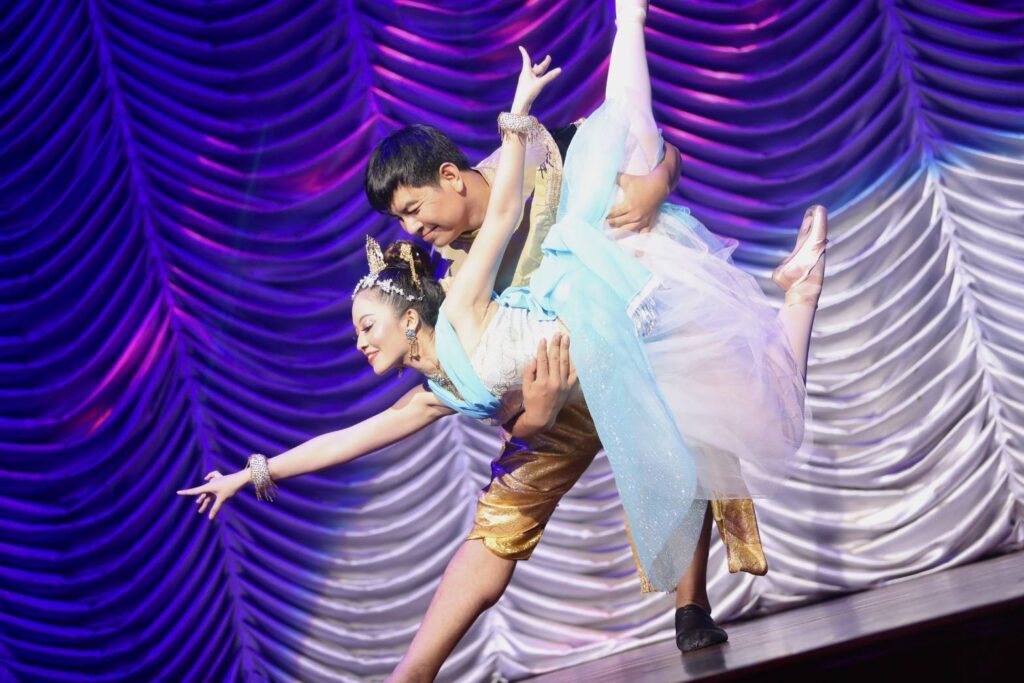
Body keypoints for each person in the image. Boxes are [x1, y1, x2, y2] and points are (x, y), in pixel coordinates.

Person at [178, 3, 828, 680]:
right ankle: (413, 671)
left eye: (413, 210)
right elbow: (363, 434)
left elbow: (615, 153)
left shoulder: (523, 181)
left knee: (706, 416)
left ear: (449, 177)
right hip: (551, 382)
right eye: (401, 221)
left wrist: (652, 185)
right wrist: (257, 472)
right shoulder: (447, 296)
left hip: (613, 315)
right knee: (501, 519)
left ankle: (691, 603)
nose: (412, 230)